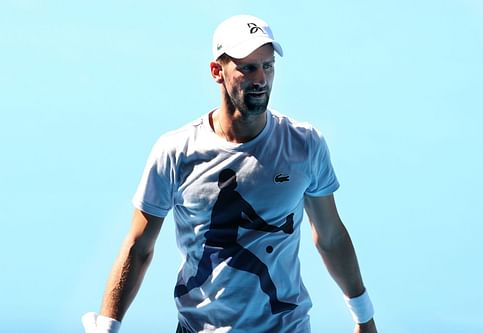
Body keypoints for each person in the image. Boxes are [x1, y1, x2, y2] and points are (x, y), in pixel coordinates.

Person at [82, 14, 378, 333]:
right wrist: (108, 326)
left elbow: (330, 236)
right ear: (217, 72)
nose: (260, 79)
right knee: (213, 277)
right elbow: (139, 246)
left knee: (261, 273)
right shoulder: (175, 151)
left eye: (267, 66)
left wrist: (365, 318)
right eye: (247, 67)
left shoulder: (304, 144)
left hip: (287, 328)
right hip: (200, 324)